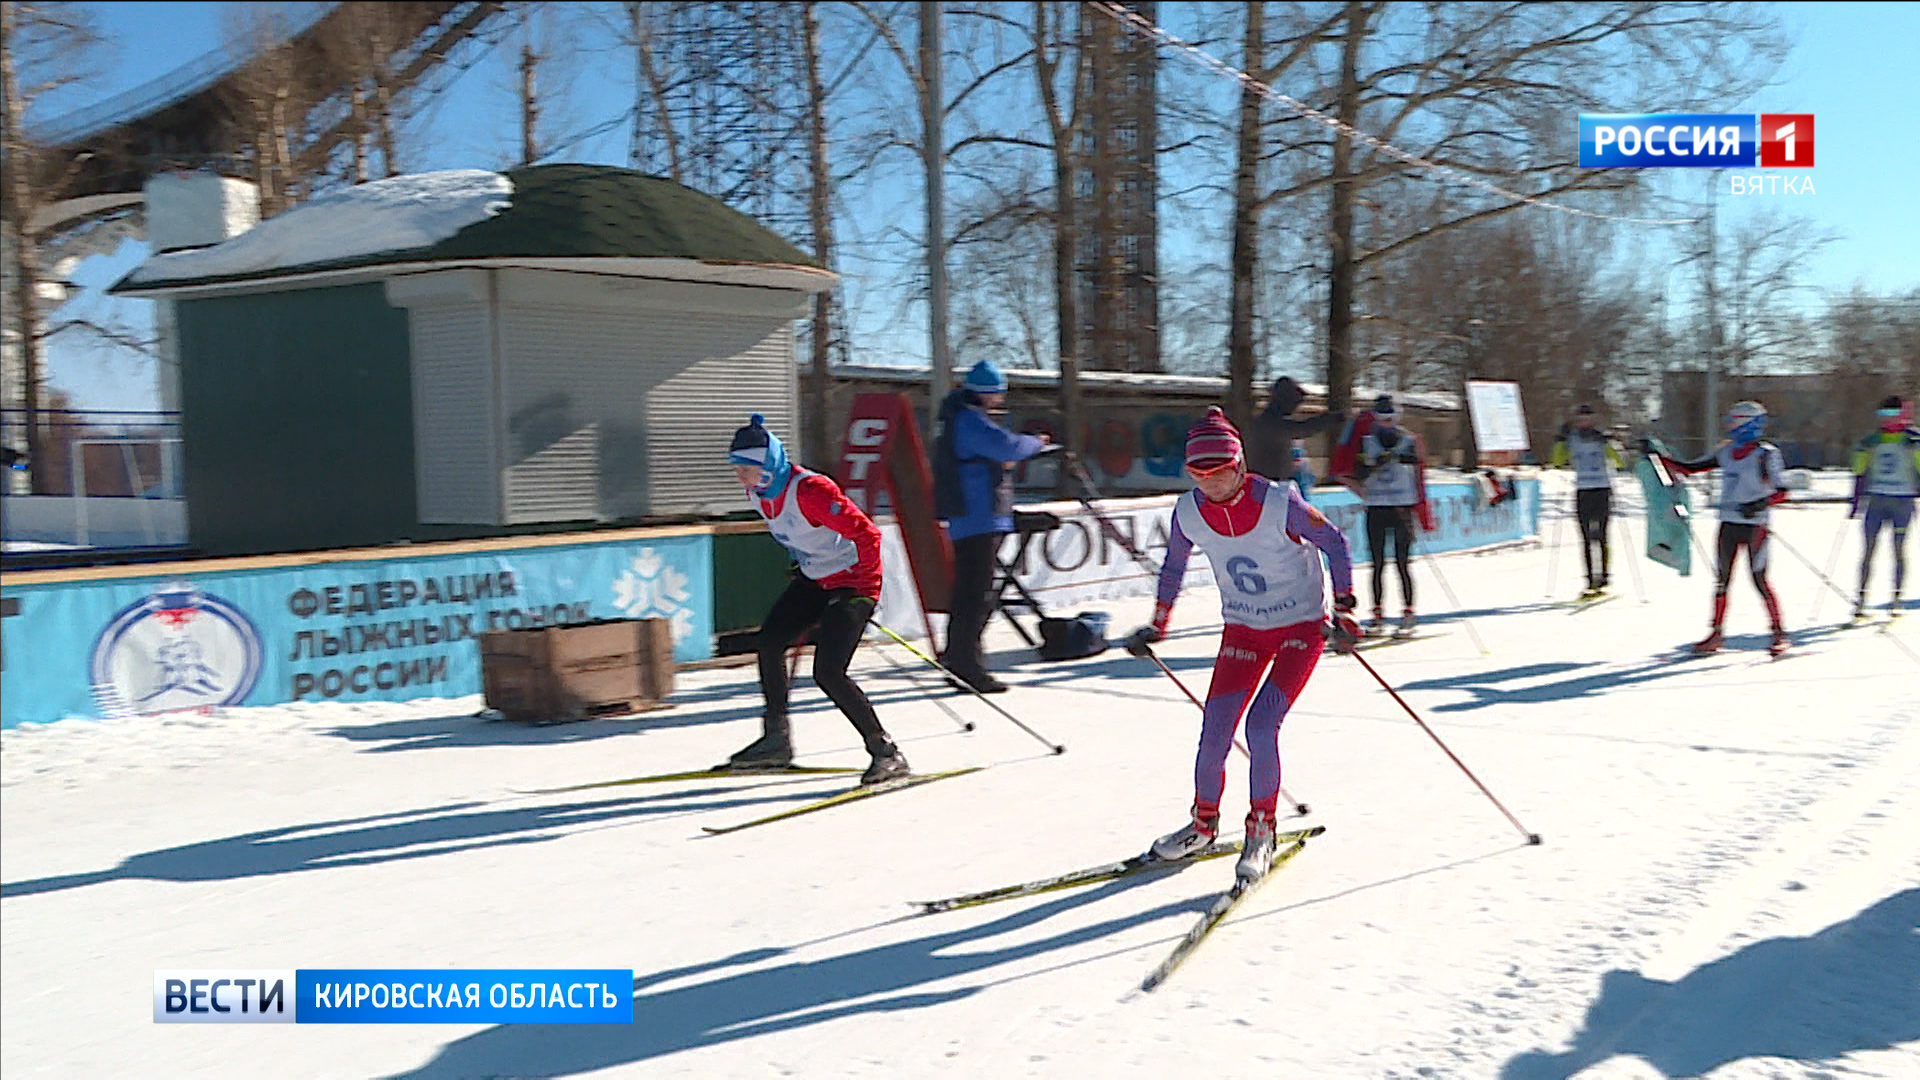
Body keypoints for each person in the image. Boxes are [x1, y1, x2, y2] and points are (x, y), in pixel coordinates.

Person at [1124, 407, 1358, 885]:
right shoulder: (1189, 510)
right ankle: (1203, 825)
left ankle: (1261, 829)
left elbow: (1335, 543)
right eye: (1197, 474)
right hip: (1244, 629)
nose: (1210, 484)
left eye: (1220, 472)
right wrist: (1157, 625)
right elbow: (1173, 567)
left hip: (1300, 627)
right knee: (1214, 732)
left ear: (1240, 463)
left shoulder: (1279, 502)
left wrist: (1346, 610)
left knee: (1261, 724)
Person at [726, 414, 909, 784]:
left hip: (855, 582)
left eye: (746, 468)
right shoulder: (759, 493)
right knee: (770, 641)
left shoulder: (810, 491)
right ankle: (776, 739)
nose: (740, 477)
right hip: (816, 578)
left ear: (767, 464)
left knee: (828, 672)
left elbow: (868, 535)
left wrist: (860, 588)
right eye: (737, 468)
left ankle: (886, 751)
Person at [932, 360, 1052, 693]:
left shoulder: (958, 416)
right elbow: (1008, 447)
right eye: (999, 393)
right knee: (975, 595)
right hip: (978, 516)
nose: (1001, 400)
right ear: (989, 392)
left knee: (971, 593)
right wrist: (1037, 442)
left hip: (971, 516)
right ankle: (966, 665)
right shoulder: (970, 420)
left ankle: (958, 658)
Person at [1642, 401, 1790, 656]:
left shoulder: (1766, 454)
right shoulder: (1727, 452)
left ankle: (1778, 633)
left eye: (1733, 421)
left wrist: (1759, 504)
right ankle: (1716, 634)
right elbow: (1690, 468)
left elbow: (1783, 491)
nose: (1729, 426)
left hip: (1756, 526)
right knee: (1722, 580)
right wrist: (1657, 456)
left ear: (1747, 423)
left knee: (1759, 579)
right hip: (1729, 523)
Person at [1354, 395, 1431, 635]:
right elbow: (1359, 471)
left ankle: (1408, 612)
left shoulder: (1407, 440)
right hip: (1376, 507)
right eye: (1381, 418)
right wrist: (1373, 465)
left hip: (1401, 507)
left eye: (1390, 418)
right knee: (1376, 563)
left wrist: (1401, 457)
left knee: (1402, 562)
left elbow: (1418, 463)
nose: (1386, 423)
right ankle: (1377, 614)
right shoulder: (1366, 441)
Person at [1849, 395, 1920, 618]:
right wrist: (1855, 499)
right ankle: (1861, 598)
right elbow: (1859, 470)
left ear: (1901, 414)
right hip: (1876, 500)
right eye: (1882, 415)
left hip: (1902, 500)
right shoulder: (1872, 440)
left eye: (1891, 415)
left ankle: (1896, 597)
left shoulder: (1912, 439)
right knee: (1868, 550)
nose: (1886, 420)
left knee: (1898, 549)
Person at [1549, 404, 1627, 596]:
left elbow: (1620, 462)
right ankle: (1591, 580)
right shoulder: (1572, 439)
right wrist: (1560, 442)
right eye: (1580, 418)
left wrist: (1611, 444)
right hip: (1583, 491)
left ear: (1593, 419)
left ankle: (1604, 576)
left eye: (1587, 418)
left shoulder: (1601, 438)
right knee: (1585, 537)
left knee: (1600, 536)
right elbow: (1557, 462)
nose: (1584, 422)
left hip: (1602, 489)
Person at [1245, 376, 1349, 479]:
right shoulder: (1272, 424)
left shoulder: (1263, 421)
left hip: (1267, 481)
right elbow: (1306, 428)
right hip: (1270, 485)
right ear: (1285, 401)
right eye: (1294, 403)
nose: (1295, 409)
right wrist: (1338, 417)